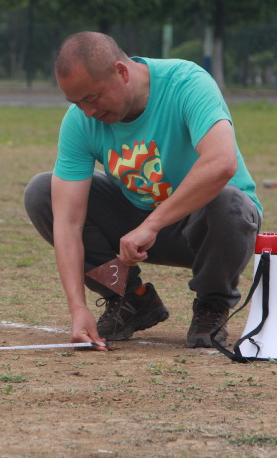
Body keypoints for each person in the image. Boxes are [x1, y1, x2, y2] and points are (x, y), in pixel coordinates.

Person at [24, 31, 262, 352]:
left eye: (92, 98)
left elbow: (222, 163)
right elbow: (68, 221)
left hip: (208, 229)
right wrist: (77, 308)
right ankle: (130, 299)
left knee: (229, 200)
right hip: (137, 229)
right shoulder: (80, 121)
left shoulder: (186, 82)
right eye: (76, 102)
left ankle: (211, 306)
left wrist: (152, 225)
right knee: (42, 192)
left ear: (122, 72)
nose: (87, 112)